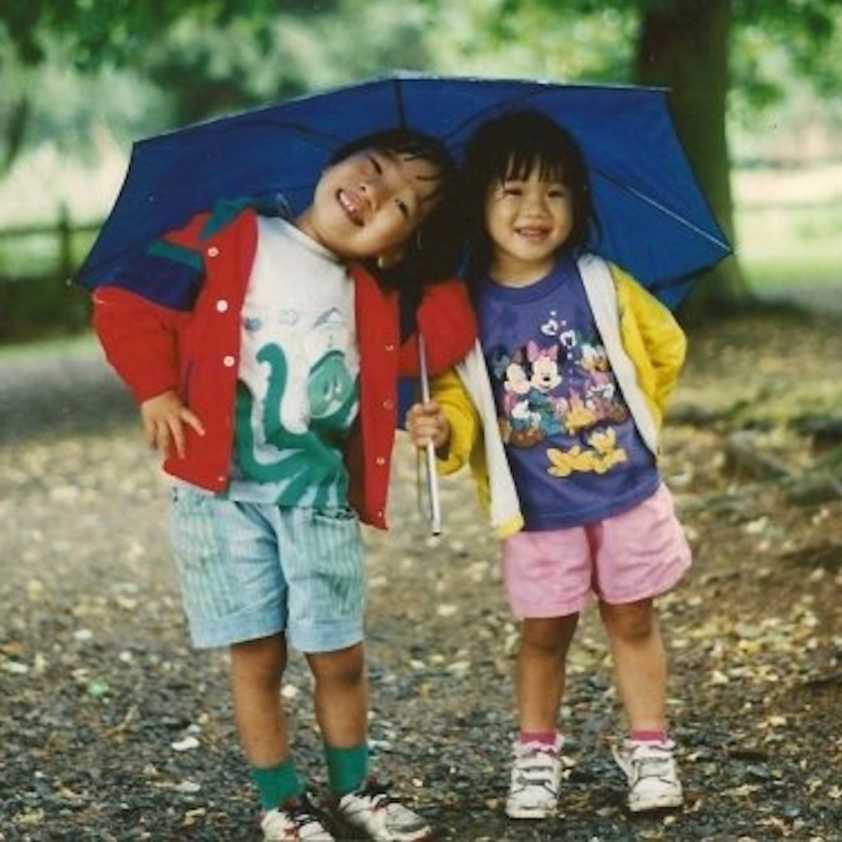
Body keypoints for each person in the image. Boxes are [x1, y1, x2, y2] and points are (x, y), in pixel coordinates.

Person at [93, 128, 476, 842]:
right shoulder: (229, 233)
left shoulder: (376, 294)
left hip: (318, 496)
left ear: (400, 242)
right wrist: (155, 390)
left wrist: (438, 272)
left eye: (403, 204)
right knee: (258, 650)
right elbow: (127, 303)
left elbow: (441, 344)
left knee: (338, 652)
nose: (376, 191)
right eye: (372, 166)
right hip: (222, 494)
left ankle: (355, 788)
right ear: (331, 161)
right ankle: (282, 801)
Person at [406, 111, 691, 818]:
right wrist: (443, 430)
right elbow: (457, 399)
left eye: (556, 193)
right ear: (479, 202)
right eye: (512, 190)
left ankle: (649, 745)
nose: (535, 209)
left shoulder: (600, 283)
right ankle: (536, 753)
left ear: (578, 205)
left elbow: (665, 346)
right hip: (537, 512)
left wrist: (636, 420)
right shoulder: (459, 307)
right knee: (544, 631)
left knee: (632, 619)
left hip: (625, 492)